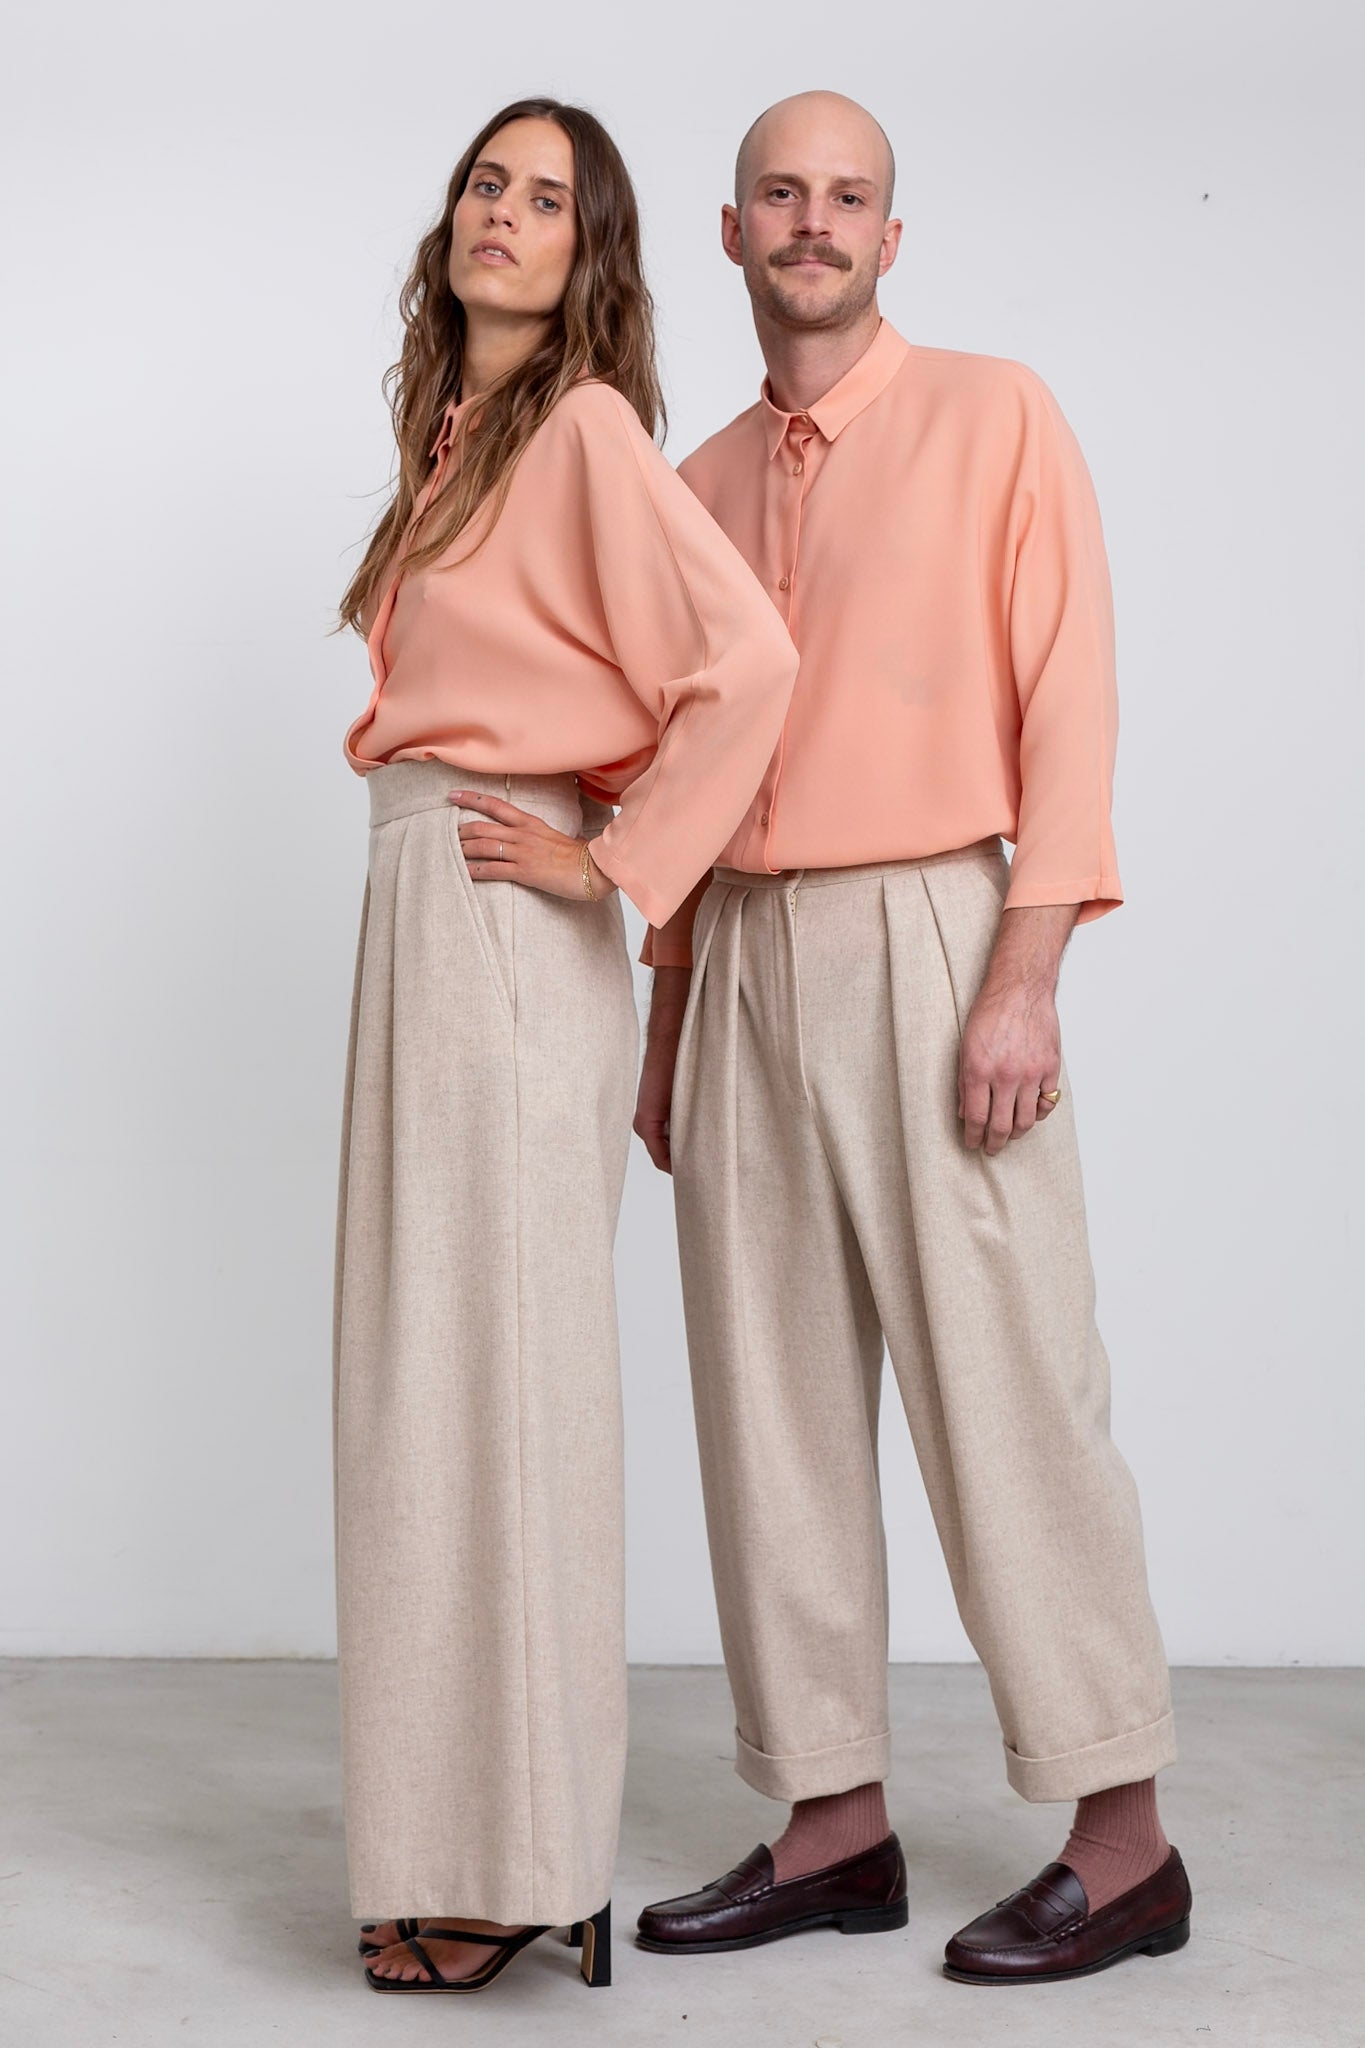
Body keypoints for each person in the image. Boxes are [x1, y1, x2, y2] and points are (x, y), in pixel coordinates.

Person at [632, 91, 1191, 1986]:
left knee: (1009, 1381)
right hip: (737, 954)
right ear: (730, 232)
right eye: (780, 194)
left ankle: (1122, 1839)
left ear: (890, 235)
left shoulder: (993, 414)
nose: (813, 222)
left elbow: (1070, 699)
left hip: (935, 930)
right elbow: (678, 766)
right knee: (764, 1398)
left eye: (847, 196)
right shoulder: (690, 484)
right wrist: (668, 1015)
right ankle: (830, 1823)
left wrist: (1025, 969)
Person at [332, 96, 797, 1998]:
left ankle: (524, 1861)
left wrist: (613, 861)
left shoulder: (587, 428)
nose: (500, 216)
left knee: (502, 1387)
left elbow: (746, 664)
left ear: (588, 248)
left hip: (505, 922)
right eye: (483, 183)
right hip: (420, 910)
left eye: (544, 199)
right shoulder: (457, 438)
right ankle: (457, 1838)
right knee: (421, 1388)